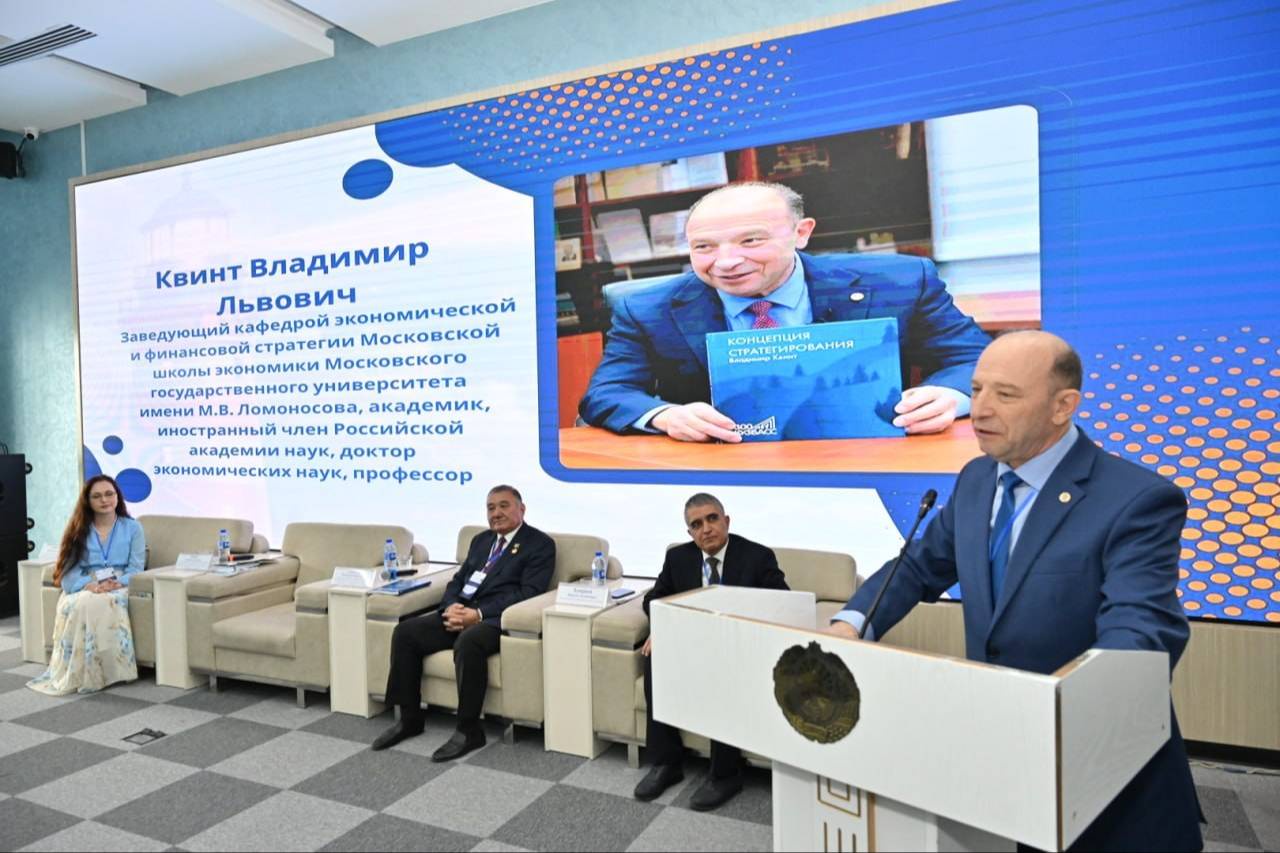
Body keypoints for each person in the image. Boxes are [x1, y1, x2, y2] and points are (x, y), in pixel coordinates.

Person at [826, 331, 1203, 851]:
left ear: (1062, 406)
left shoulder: (1137, 499)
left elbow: (1140, 628)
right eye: (976, 390)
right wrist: (852, 623)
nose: (980, 409)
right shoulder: (977, 478)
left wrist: (1070, 702)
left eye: (1005, 395)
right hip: (999, 753)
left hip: (1098, 766)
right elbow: (917, 566)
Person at [579, 182, 991, 442]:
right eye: (704, 247)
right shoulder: (647, 309)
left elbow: (976, 360)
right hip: (727, 471)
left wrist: (950, 397)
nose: (726, 262)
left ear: (801, 233)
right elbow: (606, 394)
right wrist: (666, 416)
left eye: (751, 241)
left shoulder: (899, 281)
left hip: (868, 455)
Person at [372, 485, 556, 760]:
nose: (496, 513)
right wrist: (450, 607)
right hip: (461, 611)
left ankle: (469, 730)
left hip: (497, 619)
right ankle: (409, 719)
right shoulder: (481, 540)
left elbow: (529, 593)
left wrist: (478, 614)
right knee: (406, 632)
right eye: (490, 508)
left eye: (504, 506)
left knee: (469, 642)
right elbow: (458, 580)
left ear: (522, 509)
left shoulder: (539, 544)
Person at [634, 493, 789, 810]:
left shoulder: (757, 556)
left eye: (712, 519)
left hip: (738, 647)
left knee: (723, 667)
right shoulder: (678, 558)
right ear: (689, 532)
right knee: (654, 657)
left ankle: (725, 774)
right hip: (693, 643)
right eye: (696, 524)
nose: (706, 529)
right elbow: (654, 598)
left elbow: (781, 602)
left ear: (726, 521)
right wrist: (663, 626)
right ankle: (666, 763)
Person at [28, 474, 146, 696]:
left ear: (118, 497)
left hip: (120, 586)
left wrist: (115, 583)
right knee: (81, 602)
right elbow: (68, 573)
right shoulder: (78, 529)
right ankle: (82, 672)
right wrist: (88, 585)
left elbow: (137, 568)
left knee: (96, 603)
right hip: (86, 585)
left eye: (109, 494)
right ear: (88, 501)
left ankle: (107, 672)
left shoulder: (133, 528)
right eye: (97, 496)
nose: (104, 500)